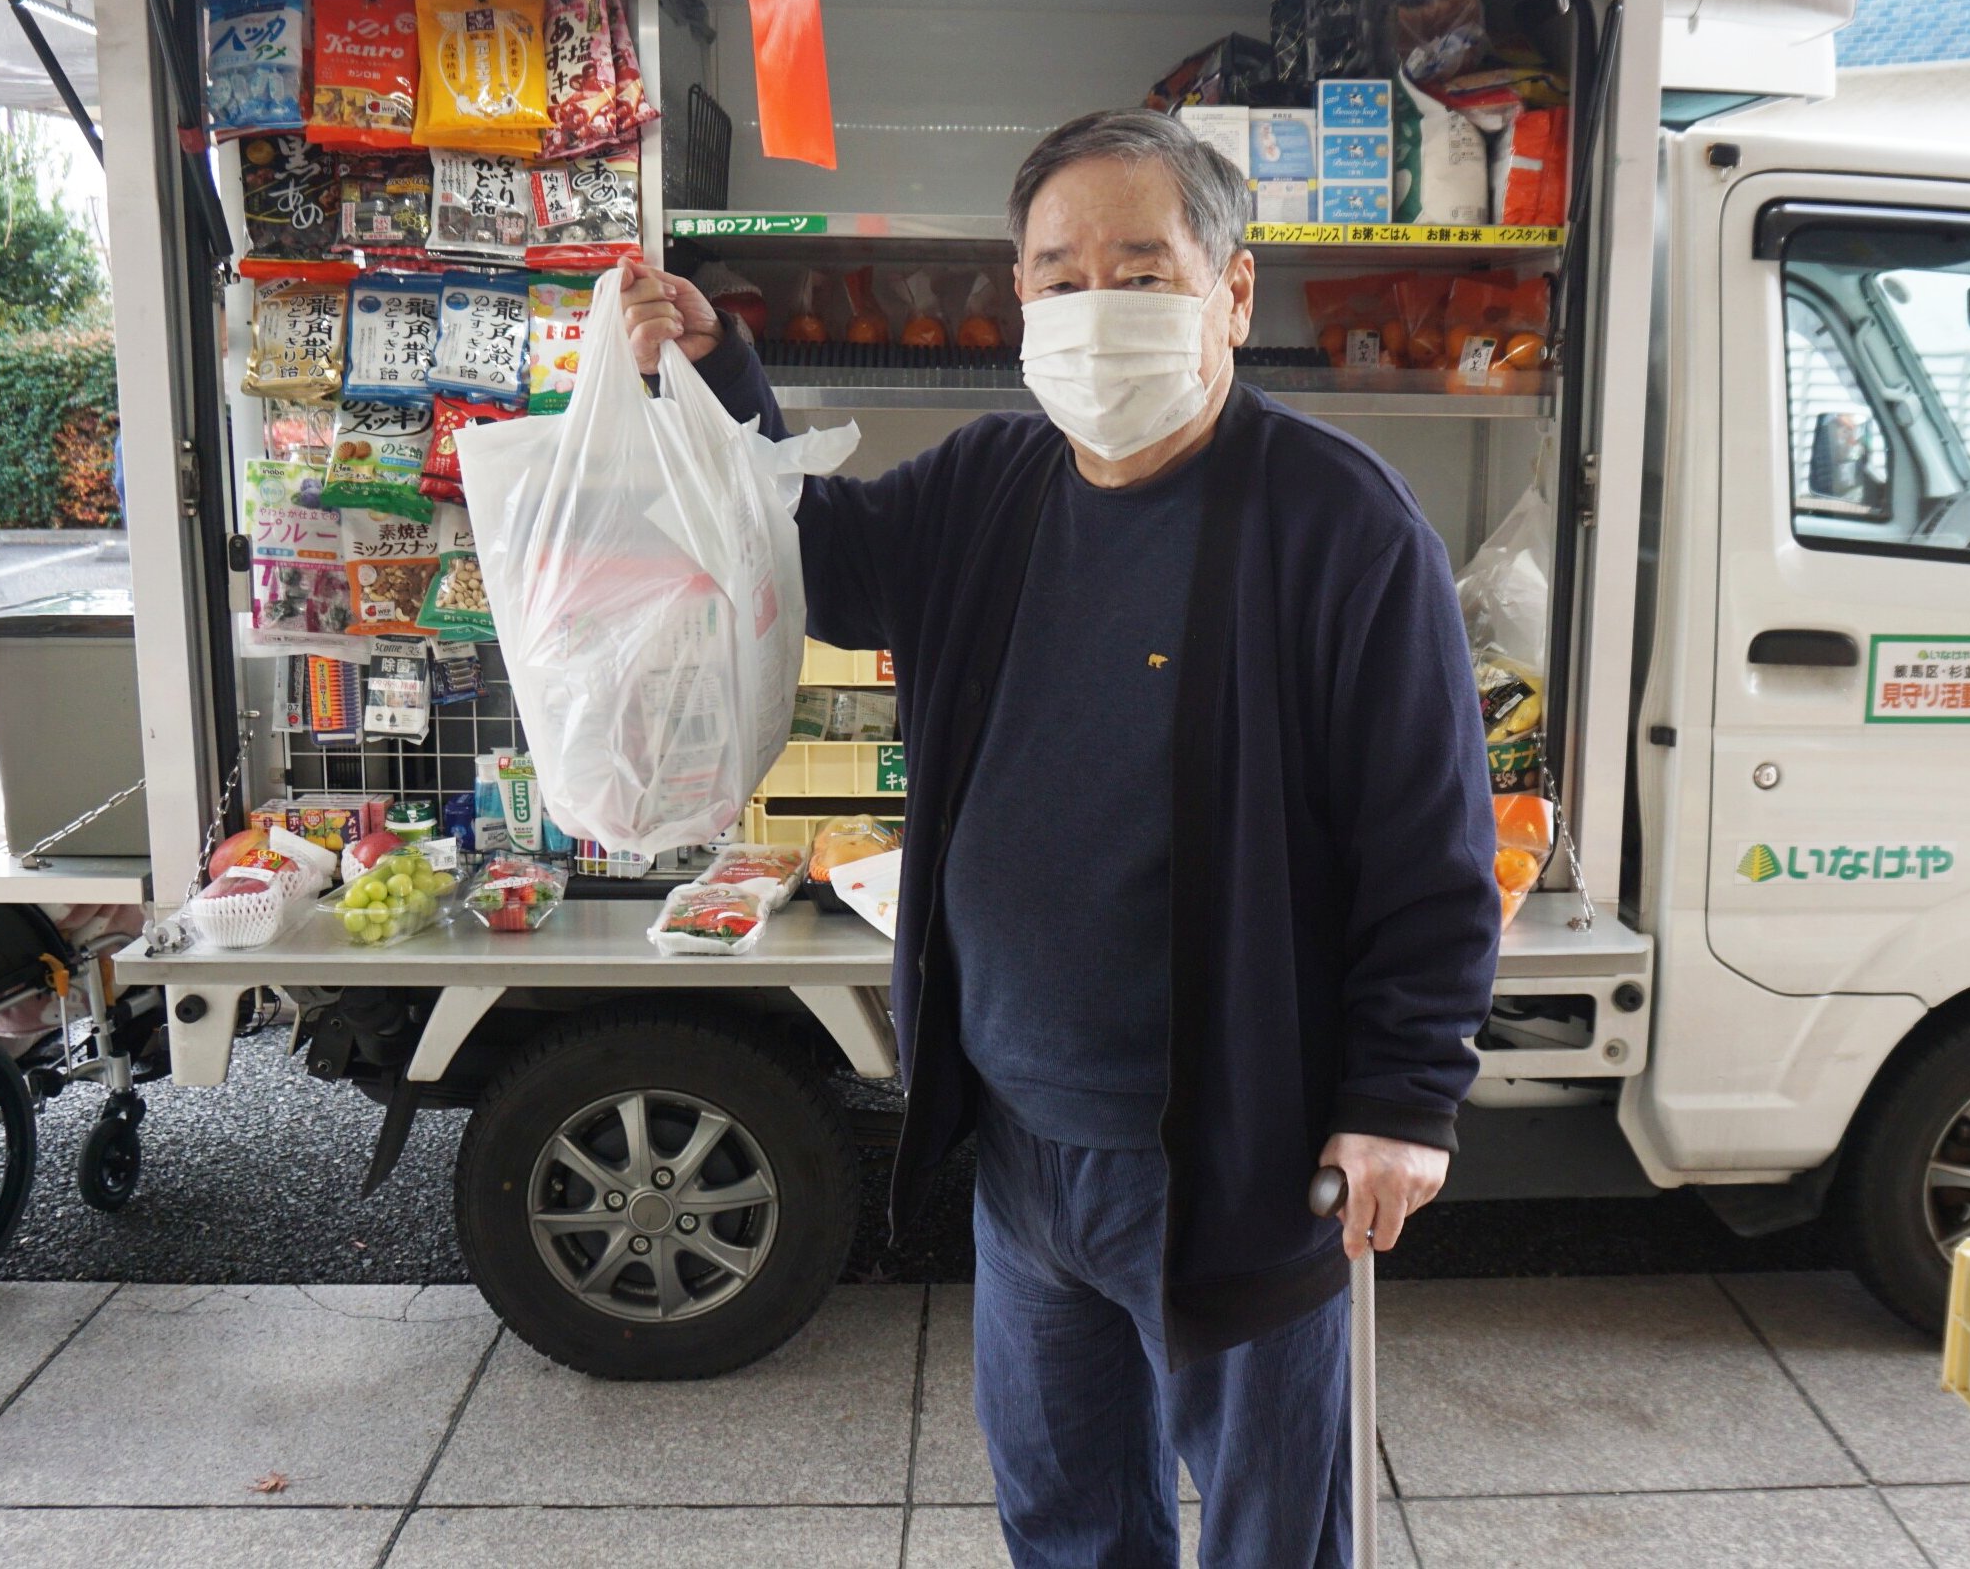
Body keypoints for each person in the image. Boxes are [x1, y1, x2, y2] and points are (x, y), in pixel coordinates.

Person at [618, 109, 1499, 1568]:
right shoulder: (990, 486)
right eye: (1060, 273)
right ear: (1018, 300)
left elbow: (1430, 842)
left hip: (1240, 1153)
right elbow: (811, 551)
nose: (1098, 306)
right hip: (1025, 1149)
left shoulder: (1340, 524)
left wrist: (1406, 1095)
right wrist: (719, 371)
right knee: (1069, 1520)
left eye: (1142, 268)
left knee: (1274, 1530)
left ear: (1234, 290)